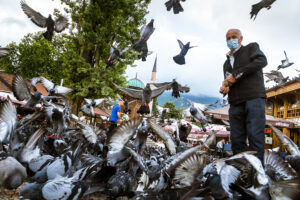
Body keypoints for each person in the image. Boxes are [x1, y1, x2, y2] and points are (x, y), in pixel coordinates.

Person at [219, 29, 267, 164]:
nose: (231, 40)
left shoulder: (251, 48)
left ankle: (257, 176)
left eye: (234, 37)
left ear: (241, 39)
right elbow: (229, 81)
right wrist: (225, 87)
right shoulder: (226, 63)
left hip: (254, 98)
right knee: (236, 139)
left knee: (255, 136)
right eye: (228, 38)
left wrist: (236, 75)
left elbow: (262, 61)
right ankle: (242, 172)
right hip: (235, 102)